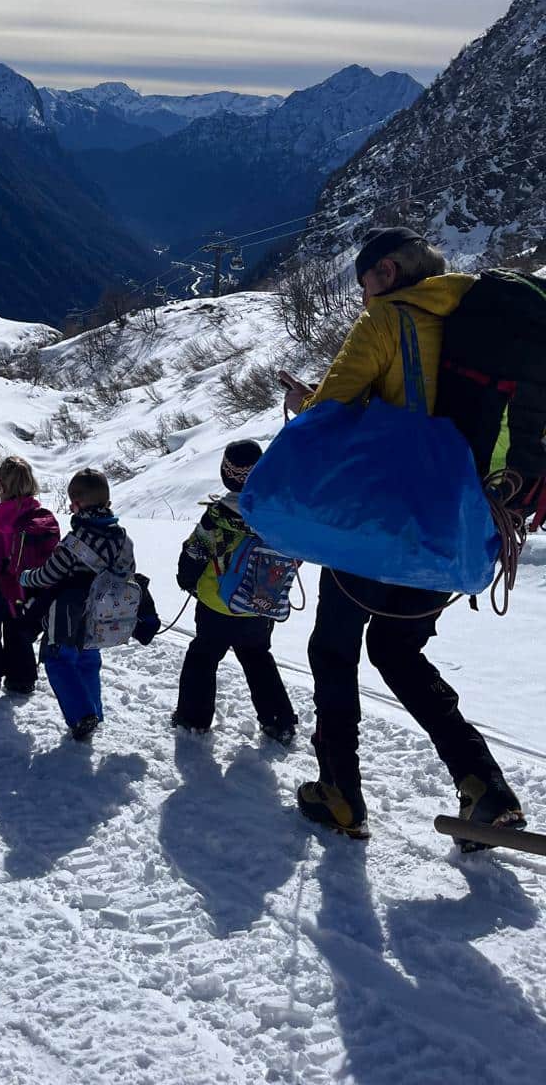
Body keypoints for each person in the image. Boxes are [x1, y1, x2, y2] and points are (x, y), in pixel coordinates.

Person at [280, 226, 524, 843]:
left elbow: (333, 409)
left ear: (387, 272)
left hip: (381, 523)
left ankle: (340, 792)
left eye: (364, 283)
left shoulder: (387, 320)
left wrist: (305, 403)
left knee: (334, 651)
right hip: (454, 530)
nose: (363, 297)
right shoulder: (479, 320)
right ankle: (483, 786)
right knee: (397, 649)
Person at [172, 441, 298, 744]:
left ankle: (193, 718)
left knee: (203, 657)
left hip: (216, 603)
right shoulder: (275, 515)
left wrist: (186, 579)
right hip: (260, 603)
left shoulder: (218, 516)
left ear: (226, 475)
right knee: (257, 657)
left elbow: (195, 553)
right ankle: (278, 720)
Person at [20, 467, 135, 742]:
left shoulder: (74, 542)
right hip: (101, 614)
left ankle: (82, 715)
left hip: (67, 615)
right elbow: (128, 571)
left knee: (58, 660)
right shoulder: (122, 539)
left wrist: (26, 576)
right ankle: (94, 710)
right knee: (88, 661)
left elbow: (48, 575)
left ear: (78, 504)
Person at [0, 456, 54, 695]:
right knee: (18, 628)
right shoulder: (39, 513)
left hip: (4, 584)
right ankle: (22, 678)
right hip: (31, 585)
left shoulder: (1, 516)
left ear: (2, 484)